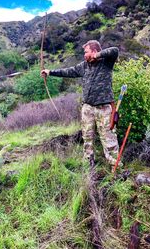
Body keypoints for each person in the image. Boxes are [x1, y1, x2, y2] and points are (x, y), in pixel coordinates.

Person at [41, 40, 120, 171]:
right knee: (87, 137)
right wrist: (50, 72)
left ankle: (114, 166)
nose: (84, 55)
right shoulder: (84, 66)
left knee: (108, 137)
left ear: (94, 51)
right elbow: (68, 71)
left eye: (86, 52)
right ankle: (88, 163)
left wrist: (97, 56)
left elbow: (115, 50)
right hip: (87, 108)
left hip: (104, 108)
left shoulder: (106, 62)